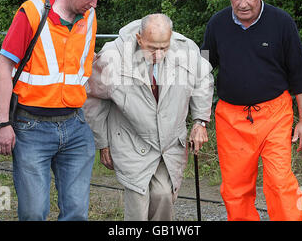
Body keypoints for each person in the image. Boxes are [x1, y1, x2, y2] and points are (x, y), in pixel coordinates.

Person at [0, 0, 106, 221]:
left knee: (77, 212)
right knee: (34, 213)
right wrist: (3, 123)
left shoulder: (89, 17)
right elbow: (4, 69)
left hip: (75, 126)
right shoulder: (31, 13)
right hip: (31, 128)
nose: (94, 3)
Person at [201, 0, 302, 221]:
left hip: (275, 114)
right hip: (231, 118)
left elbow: (300, 75)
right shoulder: (217, 24)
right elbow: (202, 67)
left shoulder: (282, 22)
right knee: (235, 187)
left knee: (280, 181)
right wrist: (199, 117)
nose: (242, 3)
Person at [83, 14, 214, 220]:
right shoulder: (112, 57)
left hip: (169, 143)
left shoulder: (187, 49)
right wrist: (103, 142)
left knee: (163, 195)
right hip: (130, 139)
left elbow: (203, 81)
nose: (159, 54)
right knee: (138, 201)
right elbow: (92, 98)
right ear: (139, 38)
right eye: (152, 48)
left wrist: (200, 121)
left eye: (164, 47)